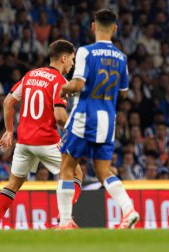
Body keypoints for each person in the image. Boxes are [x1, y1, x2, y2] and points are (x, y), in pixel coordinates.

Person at [56, 9, 139, 230]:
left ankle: (65, 221)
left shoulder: (85, 52)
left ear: (93, 26)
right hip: (108, 118)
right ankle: (129, 210)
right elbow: (123, 92)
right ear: (115, 29)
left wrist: (62, 89)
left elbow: (78, 84)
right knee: (103, 171)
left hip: (85, 114)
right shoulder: (121, 57)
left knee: (66, 165)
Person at [0, 40, 83, 230]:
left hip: (23, 141)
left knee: (14, 183)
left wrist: (9, 131)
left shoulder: (30, 75)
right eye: (72, 59)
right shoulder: (60, 82)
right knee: (75, 172)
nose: (72, 64)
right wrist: (73, 131)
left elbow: (8, 102)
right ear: (63, 58)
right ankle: (64, 217)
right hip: (46, 140)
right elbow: (59, 116)